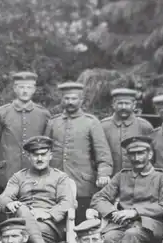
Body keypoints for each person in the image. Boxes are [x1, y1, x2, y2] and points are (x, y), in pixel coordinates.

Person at [90, 136, 163, 243]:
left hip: (150, 227)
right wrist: (112, 212)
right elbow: (98, 198)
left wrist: (135, 212)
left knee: (131, 236)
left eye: (140, 153)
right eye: (132, 154)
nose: (136, 158)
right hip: (121, 225)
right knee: (108, 238)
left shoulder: (162, 177)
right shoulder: (122, 176)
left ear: (150, 155)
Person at [45, 82, 113, 222]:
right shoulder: (53, 122)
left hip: (82, 184)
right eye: (66, 98)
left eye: (74, 98)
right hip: (55, 182)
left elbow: (103, 153)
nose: (70, 102)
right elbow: (44, 150)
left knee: (80, 222)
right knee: (54, 220)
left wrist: (103, 174)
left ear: (81, 100)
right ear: (62, 100)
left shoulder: (91, 122)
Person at [0, 136, 74, 243]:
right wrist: (9, 203)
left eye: (43, 154)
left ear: (50, 156)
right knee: (22, 209)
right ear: (28, 156)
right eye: (35, 155)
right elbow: (4, 197)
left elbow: (67, 202)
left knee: (21, 232)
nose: (39, 159)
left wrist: (48, 214)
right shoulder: (19, 177)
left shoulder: (60, 177)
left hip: (48, 224)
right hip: (21, 222)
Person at [0, 71, 51, 194]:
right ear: (15, 89)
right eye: (21, 87)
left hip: (35, 173)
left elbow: (48, 144)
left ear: (34, 89)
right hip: (7, 173)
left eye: (29, 87)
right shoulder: (2, 113)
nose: (25, 91)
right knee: (5, 208)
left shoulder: (43, 114)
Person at [101, 88, 153, 176]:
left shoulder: (144, 126)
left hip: (138, 179)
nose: (123, 107)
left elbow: (152, 156)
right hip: (111, 179)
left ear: (134, 105)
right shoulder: (103, 126)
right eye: (120, 103)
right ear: (113, 105)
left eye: (127, 103)